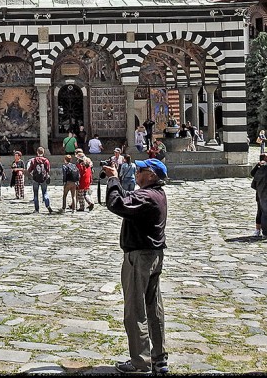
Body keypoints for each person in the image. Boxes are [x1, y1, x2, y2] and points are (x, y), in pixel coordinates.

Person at [103, 157, 169, 375]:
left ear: (151, 175)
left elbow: (117, 203)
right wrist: (117, 181)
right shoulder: (156, 194)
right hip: (153, 255)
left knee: (135, 310)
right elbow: (128, 198)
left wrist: (113, 179)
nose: (136, 173)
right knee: (154, 307)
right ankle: (159, 358)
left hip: (139, 256)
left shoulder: (147, 196)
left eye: (140, 170)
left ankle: (140, 361)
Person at [27, 147, 53, 214]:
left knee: (36, 194)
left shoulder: (33, 160)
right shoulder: (46, 160)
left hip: (35, 179)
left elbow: (29, 170)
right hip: (43, 178)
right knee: (45, 193)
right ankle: (47, 205)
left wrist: (32, 174)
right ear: (43, 152)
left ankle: (37, 209)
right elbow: (48, 170)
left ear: (37, 152)